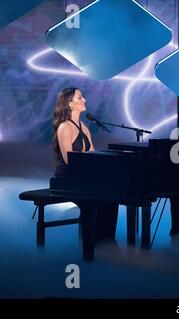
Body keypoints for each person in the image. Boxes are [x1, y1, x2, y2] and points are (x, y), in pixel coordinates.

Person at [51, 87, 118, 243]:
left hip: (82, 176)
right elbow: (70, 161)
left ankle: (106, 241)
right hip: (66, 177)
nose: (84, 100)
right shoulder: (64, 127)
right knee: (101, 191)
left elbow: (92, 156)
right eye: (80, 97)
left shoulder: (85, 128)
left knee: (114, 192)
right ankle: (94, 242)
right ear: (70, 104)